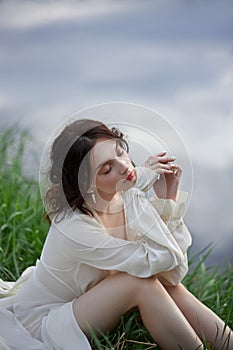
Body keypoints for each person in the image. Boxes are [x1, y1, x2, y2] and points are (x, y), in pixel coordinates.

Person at [11, 119, 233, 350]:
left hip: (89, 301)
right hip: (45, 320)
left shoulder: (122, 196)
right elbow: (161, 259)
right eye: (107, 169)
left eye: (120, 152)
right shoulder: (74, 229)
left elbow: (170, 274)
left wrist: (167, 200)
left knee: (166, 286)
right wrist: (147, 191)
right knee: (138, 283)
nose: (125, 167)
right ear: (86, 184)